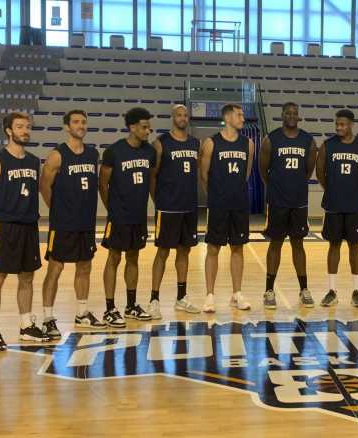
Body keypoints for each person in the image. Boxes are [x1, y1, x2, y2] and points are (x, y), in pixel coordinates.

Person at [0, 112, 48, 351]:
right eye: (19, 127)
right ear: (9, 131)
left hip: (29, 227)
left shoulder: (33, 161)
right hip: (6, 227)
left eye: (27, 127)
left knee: (27, 277)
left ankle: (25, 326)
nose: (25, 130)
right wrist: (0, 218)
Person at [40, 110, 105, 339]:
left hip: (85, 222)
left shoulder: (92, 153)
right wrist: (57, 210)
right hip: (63, 223)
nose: (81, 125)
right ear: (67, 127)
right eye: (76, 122)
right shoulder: (57, 155)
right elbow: (44, 186)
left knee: (84, 267)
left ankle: (81, 313)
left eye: (84, 122)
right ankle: (48, 319)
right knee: (55, 269)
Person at [99, 107, 156, 326]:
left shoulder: (149, 152)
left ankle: (131, 305)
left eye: (149, 126)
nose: (148, 130)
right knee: (114, 258)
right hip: (119, 216)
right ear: (132, 127)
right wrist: (112, 209)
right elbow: (102, 184)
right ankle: (109, 308)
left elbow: (150, 180)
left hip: (138, 216)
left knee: (134, 258)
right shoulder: (114, 152)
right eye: (144, 127)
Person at [258, 102, 317, 309]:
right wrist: (276, 187)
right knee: (275, 244)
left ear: (298, 116)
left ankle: (304, 289)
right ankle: (268, 290)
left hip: (299, 202)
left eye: (295, 113)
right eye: (288, 113)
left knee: (298, 245)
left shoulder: (308, 141)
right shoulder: (271, 139)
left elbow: (308, 171)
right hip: (277, 202)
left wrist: (294, 185)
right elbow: (263, 170)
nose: (291, 116)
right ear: (282, 115)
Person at [199, 104, 255, 313]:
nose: (243, 117)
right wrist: (216, 195)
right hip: (218, 205)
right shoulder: (211, 143)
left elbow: (246, 173)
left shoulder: (248, 144)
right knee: (213, 248)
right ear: (228, 117)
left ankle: (237, 293)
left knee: (238, 248)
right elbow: (204, 175)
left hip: (239, 204)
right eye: (239, 114)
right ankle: (210, 295)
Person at [148, 105, 201, 317]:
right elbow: (153, 175)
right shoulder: (160, 143)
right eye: (179, 115)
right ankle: (154, 299)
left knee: (184, 251)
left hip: (188, 207)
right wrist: (158, 201)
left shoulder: (195, 143)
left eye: (186, 115)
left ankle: (181, 297)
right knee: (162, 252)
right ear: (173, 117)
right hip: (167, 207)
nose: (183, 118)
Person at [316, 109, 358, 308]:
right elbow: (320, 172)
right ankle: (332, 291)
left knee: (355, 246)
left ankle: (356, 291)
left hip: (355, 205)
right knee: (334, 245)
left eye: (343, 124)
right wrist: (332, 189)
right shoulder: (327, 145)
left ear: (351, 125)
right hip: (333, 205)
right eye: (337, 124)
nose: (339, 127)